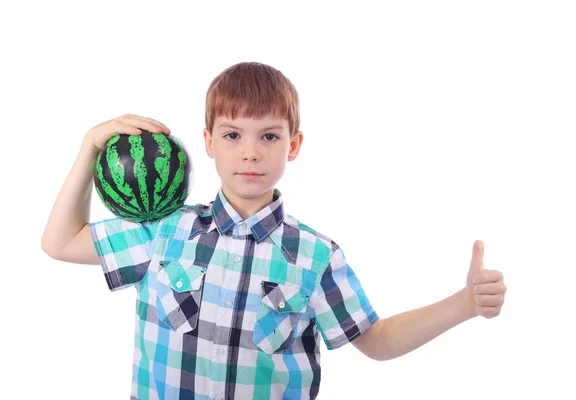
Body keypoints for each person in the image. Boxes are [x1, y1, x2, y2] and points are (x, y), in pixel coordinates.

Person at [41, 61, 507, 400]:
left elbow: (377, 340)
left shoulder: (314, 257)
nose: (250, 153)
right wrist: (89, 147)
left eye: (268, 136)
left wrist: (463, 305)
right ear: (207, 142)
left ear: (294, 144)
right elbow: (59, 242)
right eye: (232, 135)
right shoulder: (163, 233)